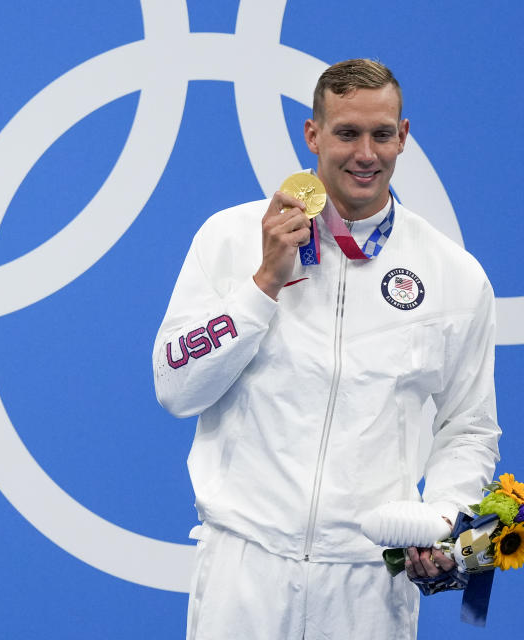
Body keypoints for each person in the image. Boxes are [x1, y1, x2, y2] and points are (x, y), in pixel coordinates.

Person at [153, 59, 501, 639]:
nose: (366, 153)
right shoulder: (232, 239)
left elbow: (469, 428)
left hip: (367, 580)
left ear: (403, 137)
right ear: (312, 135)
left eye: (382, 134)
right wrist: (263, 283)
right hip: (245, 568)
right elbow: (174, 388)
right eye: (346, 133)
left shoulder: (454, 276)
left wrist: (443, 520)